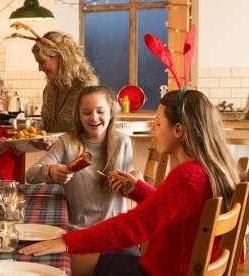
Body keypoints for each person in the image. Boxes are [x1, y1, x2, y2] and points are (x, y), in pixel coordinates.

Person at [19, 89, 242, 276]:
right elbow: (168, 208)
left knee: (50, 262)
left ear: (178, 130)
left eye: (157, 123)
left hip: (156, 272)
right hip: (171, 268)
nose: (154, 129)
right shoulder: (210, 169)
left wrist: (68, 241)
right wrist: (137, 189)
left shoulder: (188, 175)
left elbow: (135, 226)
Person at [25, 85, 134, 230]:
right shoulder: (67, 142)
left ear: (111, 113)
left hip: (114, 230)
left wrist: (131, 181)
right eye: (86, 112)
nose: (94, 118)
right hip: (78, 230)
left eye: (100, 111)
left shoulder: (123, 142)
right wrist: (51, 171)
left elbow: (131, 183)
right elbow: (30, 175)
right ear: (78, 115)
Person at [12, 26, 99, 133]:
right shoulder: (49, 90)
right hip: (53, 150)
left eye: (42, 62)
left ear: (62, 58)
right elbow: (48, 129)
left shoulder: (86, 88)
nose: (40, 69)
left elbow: (94, 134)